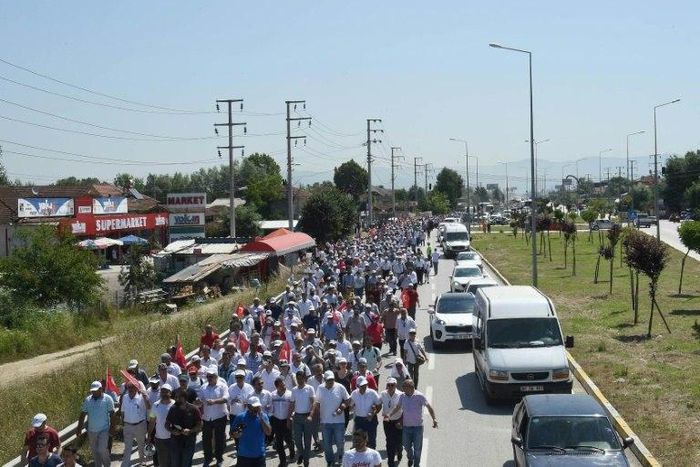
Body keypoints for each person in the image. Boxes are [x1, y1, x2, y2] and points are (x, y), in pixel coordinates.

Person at [389, 379, 438, 467]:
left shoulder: (419, 396)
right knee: (406, 446)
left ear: (411, 387)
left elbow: (429, 407)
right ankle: (410, 457)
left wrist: (434, 419)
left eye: (404, 386)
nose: (403, 388)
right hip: (406, 427)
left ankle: (416, 464)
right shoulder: (402, 396)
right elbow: (398, 407)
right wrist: (390, 415)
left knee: (418, 449)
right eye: (403, 386)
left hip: (418, 428)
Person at [311, 371, 351, 467]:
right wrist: (313, 413)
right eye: (328, 380)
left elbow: (348, 399)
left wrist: (342, 407)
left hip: (339, 421)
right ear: (325, 380)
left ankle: (341, 454)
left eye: (332, 379)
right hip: (325, 422)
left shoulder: (340, 387)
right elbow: (317, 402)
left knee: (339, 442)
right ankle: (330, 461)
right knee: (327, 444)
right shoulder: (320, 388)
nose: (331, 381)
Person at [77, 381, 116, 467]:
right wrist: (79, 428)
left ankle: (107, 465)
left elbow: (112, 414)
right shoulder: (88, 400)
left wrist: (112, 428)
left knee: (102, 449)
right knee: (94, 451)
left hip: (104, 429)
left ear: (101, 389)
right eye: (92, 391)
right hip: (92, 430)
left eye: (95, 390)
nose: (93, 392)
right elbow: (82, 414)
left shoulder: (107, 399)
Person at [197, 367, 229, 467]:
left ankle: (219, 458)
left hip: (219, 416)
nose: (209, 378)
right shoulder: (203, 387)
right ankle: (208, 457)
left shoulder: (222, 386)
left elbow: (226, 398)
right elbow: (200, 399)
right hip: (207, 417)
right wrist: (198, 401)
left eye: (211, 376)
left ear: (216, 377)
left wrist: (214, 401)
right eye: (208, 376)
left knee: (219, 438)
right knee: (206, 438)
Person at [230, 396, 272, 467]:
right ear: (248, 406)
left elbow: (268, 432)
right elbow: (231, 434)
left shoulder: (264, 416)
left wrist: (261, 418)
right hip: (243, 456)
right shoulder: (240, 417)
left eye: (258, 406)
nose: (256, 409)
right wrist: (235, 435)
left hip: (259, 456)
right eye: (254, 407)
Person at [166, 387, 202, 467]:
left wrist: (190, 431)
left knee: (186, 464)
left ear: (185, 398)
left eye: (179, 397)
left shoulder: (194, 409)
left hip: (189, 442)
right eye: (175, 397)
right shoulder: (172, 409)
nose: (176, 399)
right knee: (175, 464)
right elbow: (167, 424)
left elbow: (199, 425)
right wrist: (172, 431)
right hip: (175, 442)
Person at [119, 381, 151, 467]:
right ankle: (125, 464)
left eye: (132, 387)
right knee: (127, 446)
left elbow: (148, 407)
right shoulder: (125, 397)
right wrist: (123, 422)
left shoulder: (141, 397)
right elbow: (122, 411)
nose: (130, 389)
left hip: (140, 425)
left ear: (137, 388)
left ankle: (142, 460)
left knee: (141, 444)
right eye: (129, 387)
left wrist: (144, 395)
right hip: (128, 425)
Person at [290, 371, 315, 467]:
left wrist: (311, 415)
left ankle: (306, 460)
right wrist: (289, 417)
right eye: (298, 378)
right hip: (297, 417)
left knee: (307, 441)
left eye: (301, 378)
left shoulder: (309, 388)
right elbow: (292, 404)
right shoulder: (294, 390)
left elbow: (314, 403)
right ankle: (301, 453)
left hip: (307, 417)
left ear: (304, 378)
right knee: (297, 440)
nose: (299, 380)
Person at [349, 377, 381, 449]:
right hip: (359, 420)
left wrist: (373, 414)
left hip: (371, 420)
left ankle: (372, 458)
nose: (364, 387)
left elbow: (379, 405)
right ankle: (361, 458)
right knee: (359, 440)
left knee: (372, 441)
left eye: (365, 385)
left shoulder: (372, 393)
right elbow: (350, 406)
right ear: (357, 386)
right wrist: (350, 407)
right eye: (362, 386)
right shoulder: (354, 394)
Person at [269, 377, 295, 465]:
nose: (284, 386)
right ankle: (283, 461)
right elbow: (270, 408)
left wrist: (291, 416)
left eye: (284, 384)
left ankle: (292, 450)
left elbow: (294, 407)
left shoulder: (290, 394)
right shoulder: (272, 395)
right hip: (276, 421)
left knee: (288, 440)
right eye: (281, 385)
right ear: (277, 386)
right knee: (279, 442)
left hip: (287, 420)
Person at [149, 384, 174, 467]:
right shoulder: (155, 405)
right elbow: (152, 421)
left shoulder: (175, 404)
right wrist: (149, 435)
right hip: (159, 438)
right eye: (162, 391)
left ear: (170, 393)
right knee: (162, 462)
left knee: (172, 460)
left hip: (173, 437)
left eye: (166, 391)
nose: (163, 393)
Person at [380, 377, 403, 467]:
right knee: (389, 441)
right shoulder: (383, 394)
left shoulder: (401, 394)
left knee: (399, 441)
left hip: (398, 421)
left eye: (392, 385)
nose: (390, 387)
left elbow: (404, 410)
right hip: (387, 421)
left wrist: (401, 421)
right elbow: (377, 403)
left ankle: (400, 450)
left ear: (395, 385)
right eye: (388, 385)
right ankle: (390, 462)